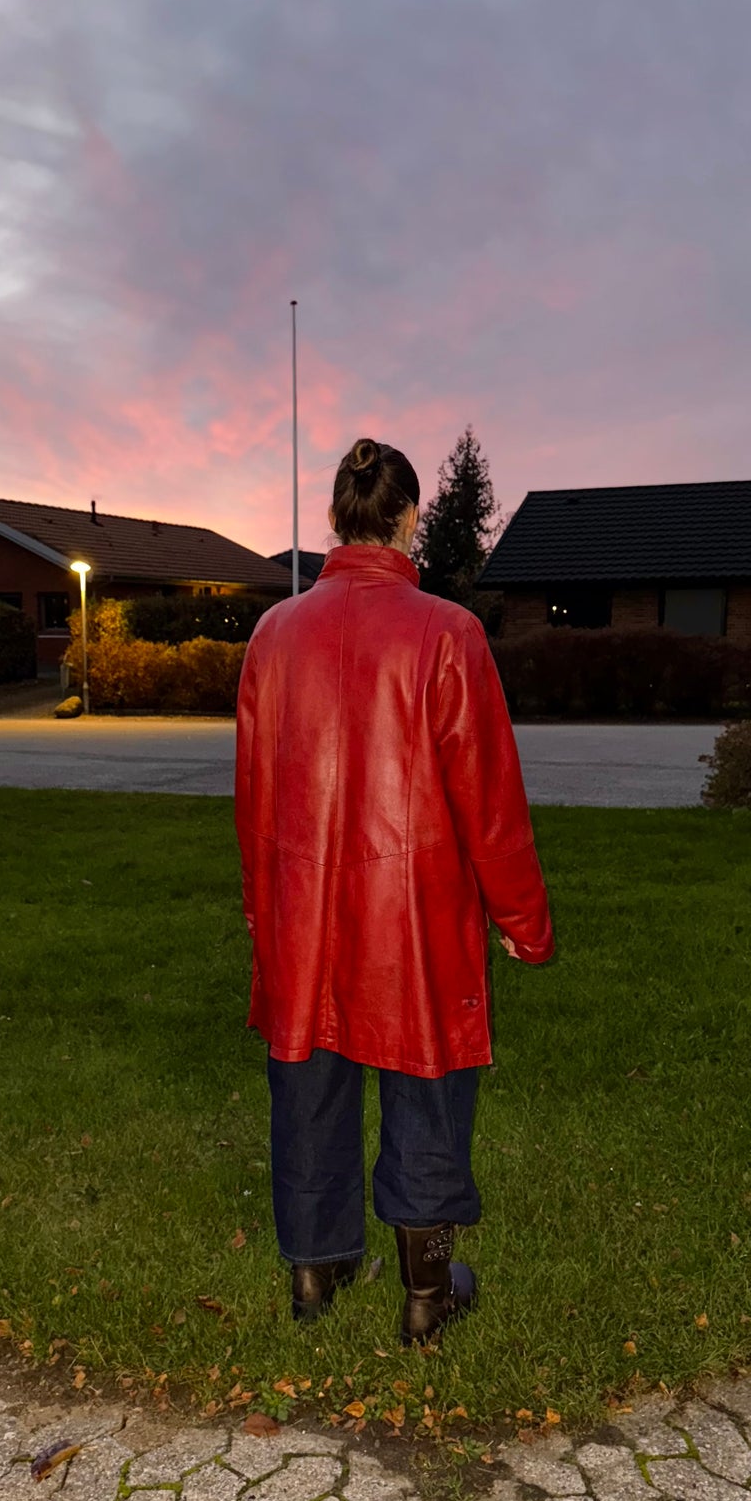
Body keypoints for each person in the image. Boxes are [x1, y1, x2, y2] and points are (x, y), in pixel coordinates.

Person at [234, 436, 554, 1348]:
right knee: (423, 1089)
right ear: (409, 518)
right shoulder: (447, 635)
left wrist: (263, 914)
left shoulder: (273, 635)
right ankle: (424, 1293)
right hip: (408, 919)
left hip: (304, 915)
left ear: (336, 518)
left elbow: (253, 797)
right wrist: (522, 922)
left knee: (308, 1087)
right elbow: (489, 801)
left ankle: (314, 1268)